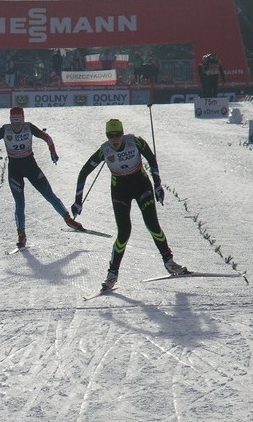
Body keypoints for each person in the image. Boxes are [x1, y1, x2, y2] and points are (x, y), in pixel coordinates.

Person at [71, 119, 187, 292]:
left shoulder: (135, 141)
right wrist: (78, 200)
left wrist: (157, 185)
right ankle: (112, 274)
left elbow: (152, 159)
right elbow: (83, 172)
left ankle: (169, 262)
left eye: (118, 135)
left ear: (123, 133)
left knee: (152, 225)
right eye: (110, 136)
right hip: (120, 191)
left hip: (141, 186)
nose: (115, 139)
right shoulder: (105, 150)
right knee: (124, 232)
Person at [0, 106, 83, 248]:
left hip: (31, 166)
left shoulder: (28, 127)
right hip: (15, 169)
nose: (16, 124)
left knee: (49, 194)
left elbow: (47, 138)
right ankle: (21, 234)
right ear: (10, 119)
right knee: (20, 202)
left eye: (19, 120)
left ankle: (68, 219)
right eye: (14, 120)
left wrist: (53, 152)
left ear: (23, 119)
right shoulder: (5, 129)